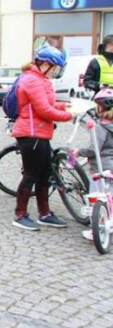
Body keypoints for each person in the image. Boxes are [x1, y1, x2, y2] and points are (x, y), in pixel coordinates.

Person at [11, 46, 72, 231]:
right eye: (54, 67)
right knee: (31, 175)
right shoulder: (31, 80)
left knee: (44, 175)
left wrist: (66, 106)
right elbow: (43, 110)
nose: (55, 72)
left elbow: (49, 103)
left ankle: (44, 214)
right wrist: (71, 115)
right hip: (31, 134)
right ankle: (20, 215)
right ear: (45, 64)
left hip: (40, 133)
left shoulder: (40, 79)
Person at [71, 88, 113, 241]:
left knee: (97, 198)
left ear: (100, 107)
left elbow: (93, 150)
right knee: (111, 198)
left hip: (102, 168)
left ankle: (95, 229)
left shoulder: (100, 128)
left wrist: (78, 152)